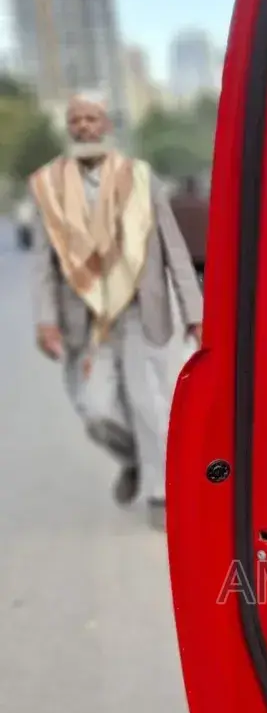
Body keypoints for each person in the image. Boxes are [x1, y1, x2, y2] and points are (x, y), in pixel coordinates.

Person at [30, 93, 203, 531]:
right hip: (83, 319)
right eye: (76, 119)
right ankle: (132, 460)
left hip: (140, 311)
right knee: (94, 408)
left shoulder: (141, 178)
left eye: (92, 118)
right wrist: (45, 319)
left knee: (147, 402)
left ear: (106, 125)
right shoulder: (48, 185)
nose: (84, 125)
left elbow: (174, 251)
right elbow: (43, 263)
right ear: (69, 127)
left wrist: (193, 310)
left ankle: (161, 493)